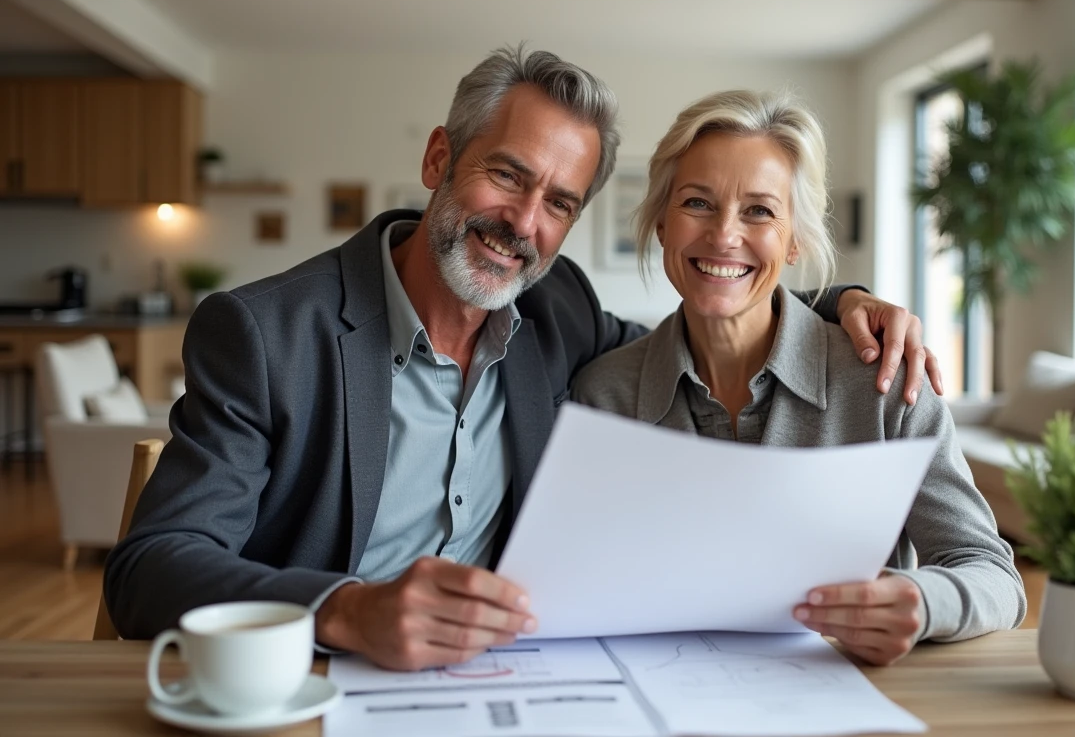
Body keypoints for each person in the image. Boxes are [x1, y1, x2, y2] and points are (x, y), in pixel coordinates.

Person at [104, 47, 943, 672]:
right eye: (508, 176)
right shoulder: (265, 333)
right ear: (440, 159)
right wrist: (346, 612)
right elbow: (150, 568)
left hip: (506, 686)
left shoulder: (557, 312)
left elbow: (710, 316)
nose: (524, 223)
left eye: (560, 203)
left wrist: (845, 306)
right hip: (314, 689)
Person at [571, 89, 1024, 666]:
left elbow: (992, 575)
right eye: (696, 203)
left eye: (759, 210)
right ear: (662, 222)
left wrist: (922, 599)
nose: (724, 235)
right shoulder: (602, 396)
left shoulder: (886, 381)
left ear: (794, 240)